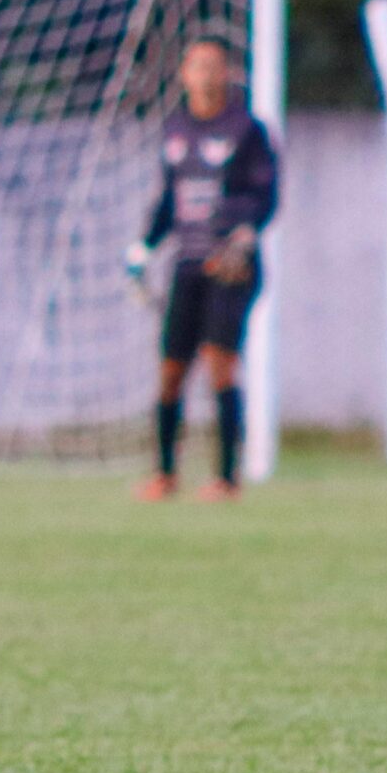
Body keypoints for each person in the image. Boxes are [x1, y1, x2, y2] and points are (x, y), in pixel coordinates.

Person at [126, 37, 280, 500]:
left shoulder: (247, 130)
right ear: (184, 75)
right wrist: (143, 247)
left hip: (229, 266)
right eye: (197, 66)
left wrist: (244, 234)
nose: (206, 74)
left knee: (219, 363)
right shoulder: (176, 129)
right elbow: (168, 199)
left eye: (214, 65)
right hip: (186, 264)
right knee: (171, 369)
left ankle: (226, 478)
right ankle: (165, 473)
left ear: (227, 73)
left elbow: (265, 195)